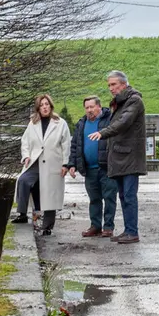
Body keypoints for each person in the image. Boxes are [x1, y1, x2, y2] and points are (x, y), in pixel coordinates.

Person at [89, 71, 146, 245]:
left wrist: (103, 133)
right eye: (109, 85)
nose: (111, 88)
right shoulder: (120, 103)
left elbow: (123, 123)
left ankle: (132, 232)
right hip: (121, 157)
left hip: (130, 157)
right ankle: (128, 230)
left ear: (123, 84)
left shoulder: (134, 101)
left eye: (113, 84)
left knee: (129, 196)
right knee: (123, 196)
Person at [14, 93, 71, 235]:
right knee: (23, 181)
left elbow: (66, 145)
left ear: (50, 106)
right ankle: (22, 214)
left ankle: (47, 227)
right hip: (35, 162)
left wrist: (65, 164)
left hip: (53, 163)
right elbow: (25, 141)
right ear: (38, 108)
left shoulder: (60, 123)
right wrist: (26, 156)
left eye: (46, 104)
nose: (44, 107)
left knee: (50, 194)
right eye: (41, 105)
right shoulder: (33, 122)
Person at [65, 95, 117, 238]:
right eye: (87, 107)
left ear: (99, 107)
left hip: (107, 168)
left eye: (92, 107)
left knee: (109, 197)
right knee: (94, 199)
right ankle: (95, 226)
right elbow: (75, 145)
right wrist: (72, 164)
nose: (89, 110)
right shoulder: (81, 123)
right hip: (89, 169)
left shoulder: (110, 120)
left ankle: (108, 227)